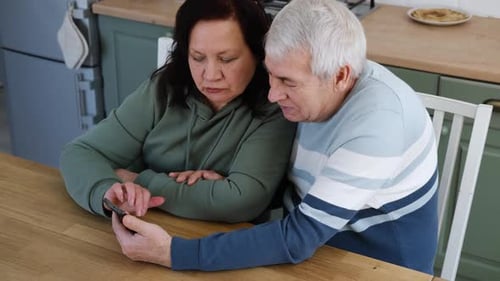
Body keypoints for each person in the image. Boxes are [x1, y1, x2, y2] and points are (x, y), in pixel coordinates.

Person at [110, 0, 439, 275]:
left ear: (340, 76)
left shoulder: (377, 125)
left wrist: (173, 252)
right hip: (316, 252)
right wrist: (225, 180)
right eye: (271, 74)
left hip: (375, 267)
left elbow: (298, 238)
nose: (272, 94)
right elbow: (305, 188)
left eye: (287, 81)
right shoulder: (317, 92)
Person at [60, 0, 296, 223]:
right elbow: (81, 152)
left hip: (223, 247)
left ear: (258, 55)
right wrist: (107, 191)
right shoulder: (165, 88)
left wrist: (137, 179)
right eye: (198, 58)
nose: (211, 75)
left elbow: (242, 200)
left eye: (227, 59)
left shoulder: (276, 105)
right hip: (143, 227)